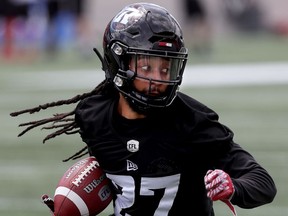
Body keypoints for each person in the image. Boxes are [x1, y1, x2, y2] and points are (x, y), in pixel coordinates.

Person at [10, 2, 276, 216]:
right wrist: (74, 201)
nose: (158, 79)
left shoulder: (192, 122)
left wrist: (234, 188)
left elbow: (263, 183)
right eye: (147, 67)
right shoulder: (94, 117)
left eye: (166, 68)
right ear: (118, 63)